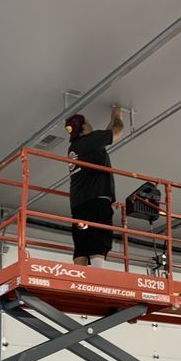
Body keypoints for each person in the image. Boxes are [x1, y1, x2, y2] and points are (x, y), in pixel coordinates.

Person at [65, 106, 125, 267]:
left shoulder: (75, 148)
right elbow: (117, 131)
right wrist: (117, 116)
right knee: (99, 238)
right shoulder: (90, 140)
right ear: (84, 127)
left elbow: (103, 138)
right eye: (88, 122)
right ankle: (98, 277)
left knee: (82, 243)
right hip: (97, 200)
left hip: (78, 205)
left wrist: (109, 124)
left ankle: (79, 277)